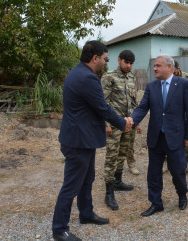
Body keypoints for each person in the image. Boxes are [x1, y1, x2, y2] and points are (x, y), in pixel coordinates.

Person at [52, 41, 133, 241]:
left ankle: (86, 213)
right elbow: (103, 107)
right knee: (71, 186)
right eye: (105, 59)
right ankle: (59, 229)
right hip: (78, 141)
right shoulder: (88, 78)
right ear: (95, 58)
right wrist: (122, 123)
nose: (106, 63)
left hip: (82, 139)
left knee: (87, 179)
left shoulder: (79, 72)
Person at [130, 54, 188, 217]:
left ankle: (182, 195)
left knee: (178, 171)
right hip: (156, 137)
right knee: (153, 172)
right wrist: (131, 120)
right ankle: (156, 203)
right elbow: (143, 107)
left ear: (169, 67)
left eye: (158, 65)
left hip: (175, 137)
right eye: (154, 66)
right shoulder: (151, 86)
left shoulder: (184, 84)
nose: (155, 68)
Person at [101, 50, 142, 210]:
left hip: (128, 123)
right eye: (126, 62)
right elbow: (102, 102)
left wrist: (136, 121)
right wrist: (106, 124)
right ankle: (109, 192)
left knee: (122, 153)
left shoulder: (131, 77)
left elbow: (133, 101)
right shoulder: (109, 76)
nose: (129, 66)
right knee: (112, 155)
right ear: (119, 60)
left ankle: (117, 181)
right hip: (114, 123)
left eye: (131, 63)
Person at [162, 60, 188, 175]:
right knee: (166, 139)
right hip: (169, 113)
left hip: (184, 113)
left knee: (186, 139)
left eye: (174, 70)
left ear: (178, 68)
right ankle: (166, 163)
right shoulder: (166, 77)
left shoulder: (187, 78)